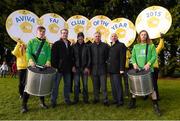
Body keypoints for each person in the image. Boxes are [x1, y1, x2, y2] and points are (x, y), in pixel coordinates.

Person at [128, 30, 161, 116]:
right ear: (139, 36)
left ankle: (156, 105)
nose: (143, 36)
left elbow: (154, 56)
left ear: (147, 36)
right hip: (138, 71)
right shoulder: (135, 46)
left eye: (145, 35)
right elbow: (133, 57)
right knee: (135, 87)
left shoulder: (151, 46)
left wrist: (148, 64)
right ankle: (133, 103)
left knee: (152, 89)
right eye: (142, 35)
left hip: (149, 71)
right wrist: (134, 64)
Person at [21, 26, 51, 113]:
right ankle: (24, 105)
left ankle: (42, 102)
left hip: (43, 67)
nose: (42, 33)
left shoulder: (46, 44)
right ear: (37, 32)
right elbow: (28, 52)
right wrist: (30, 60)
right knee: (28, 86)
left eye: (43, 32)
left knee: (42, 85)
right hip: (33, 67)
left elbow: (49, 54)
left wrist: (48, 61)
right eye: (40, 31)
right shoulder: (31, 41)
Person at [51, 29, 73, 107]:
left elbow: (71, 57)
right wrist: (55, 67)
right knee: (55, 85)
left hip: (67, 69)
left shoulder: (70, 44)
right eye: (63, 33)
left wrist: (72, 66)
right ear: (61, 34)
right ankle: (53, 101)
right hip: (59, 69)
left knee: (67, 85)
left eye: (66, 33)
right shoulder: (56, 44)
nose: (65, 34)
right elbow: (53, 57)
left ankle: (67, 99)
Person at [90, 31, 109, 106]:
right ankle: (96, 98)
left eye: (98, 36)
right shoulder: (90, 46)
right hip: (94, 69)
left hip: (103, 69)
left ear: (100, 37)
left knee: (104, 86)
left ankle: (105, 100)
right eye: (96, 36)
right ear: (94, 37)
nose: (97, 37)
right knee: (95, 86)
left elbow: (108, 56)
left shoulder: (105, 46)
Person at [107, 33, 126, 107]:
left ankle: (120, 101)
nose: (113, 37)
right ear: (110, 38)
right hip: (111, 69)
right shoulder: (111, 46)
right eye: (112, 36)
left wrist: (122, 69)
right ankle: (115, 100)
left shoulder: (121, 45)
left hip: (117, 69)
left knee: (118, 85)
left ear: (117, 37)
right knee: (113, 86)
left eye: (115, 36)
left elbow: (122, 58)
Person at [72, 32, 91, 104]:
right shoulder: (74, 46)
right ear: (77, 38)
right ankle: (76, 99)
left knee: (85, 85)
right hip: (76, 68)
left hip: (84, 68)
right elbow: (72, 58)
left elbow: (89, 58)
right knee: (76, 85)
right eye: (79, 38)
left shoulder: (87, 46)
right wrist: (73, 66)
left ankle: (86, 99)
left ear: (83, 38)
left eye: (81, 38)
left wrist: (87, 67)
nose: (80, 39)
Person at [153, 34, 164, 100]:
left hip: (154, 69)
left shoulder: (155, 50)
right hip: (147, 69)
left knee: (154, 83)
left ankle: (156, 96)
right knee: (146, 82)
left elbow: (160, 45)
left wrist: (162, 38)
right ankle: (145, 95)